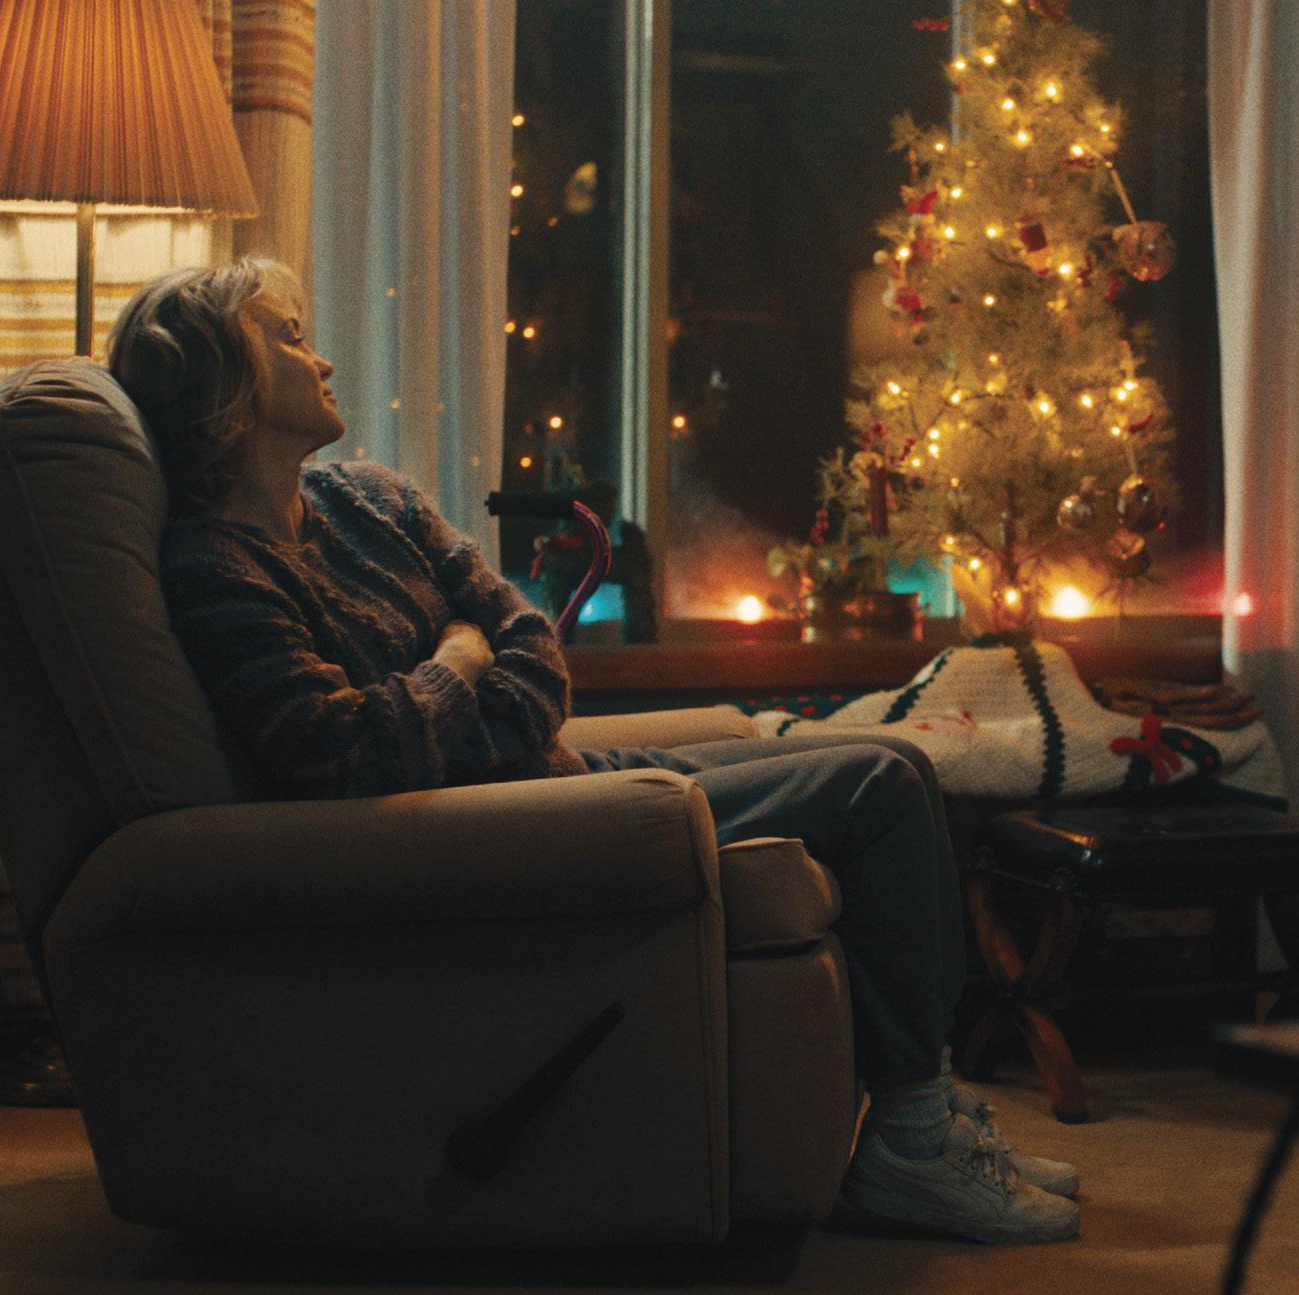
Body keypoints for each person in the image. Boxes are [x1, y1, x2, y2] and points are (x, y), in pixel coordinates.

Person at [107, 257, 1080, 1245]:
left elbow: (529, 641)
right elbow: (345, 752)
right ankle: (913, 1142)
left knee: (897, 764)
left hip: (560, 777)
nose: (319, 359)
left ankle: (923, 1108)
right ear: (225, 382)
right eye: (286, 336)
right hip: (513, 822)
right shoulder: (216, 568)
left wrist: (453, 703)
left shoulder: (371, 499)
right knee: (875, 784)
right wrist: (456, 659)